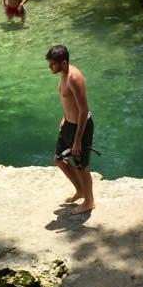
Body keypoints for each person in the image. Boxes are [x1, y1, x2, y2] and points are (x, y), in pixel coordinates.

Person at [46, 43, 95, 214]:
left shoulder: (74, 79)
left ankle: (89, 201)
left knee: (81, 166)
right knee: (59, 160)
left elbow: (83, 111)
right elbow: (68, 101)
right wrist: (64, 118)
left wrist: (77, 140)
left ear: (64, 62)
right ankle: (80, 191)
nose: (49, 67)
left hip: (80, 128)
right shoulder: (63, 74)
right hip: (68, 124)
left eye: (53, 63)